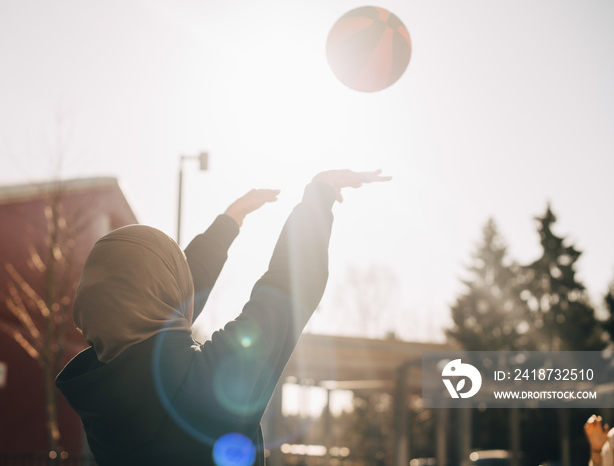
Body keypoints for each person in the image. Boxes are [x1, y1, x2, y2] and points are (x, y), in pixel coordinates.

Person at [56, 169, 392, 465]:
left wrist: (230, 221)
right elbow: (286, 292)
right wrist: (319, 196)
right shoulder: (207, 385)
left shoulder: (98, 399)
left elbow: (159, 301)